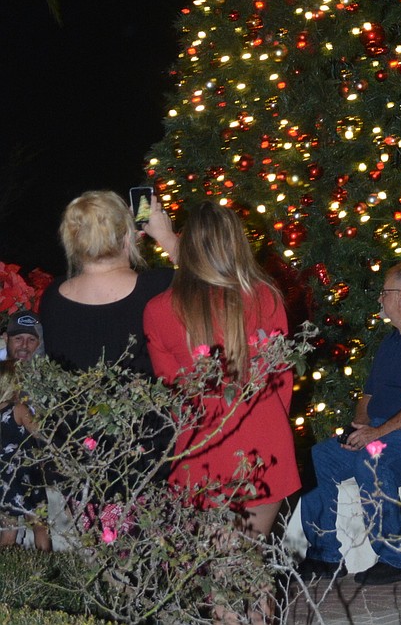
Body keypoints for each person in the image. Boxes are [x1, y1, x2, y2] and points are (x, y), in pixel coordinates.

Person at [143, 203, 299, 539]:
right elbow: (281, 381)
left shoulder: (158, 311)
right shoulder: (265, 297)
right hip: (266, 444)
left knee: (215, 572)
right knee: (251, 564)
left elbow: (172, 393)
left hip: (203, 447)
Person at [298, 262, 401, 587]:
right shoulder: (391, 342)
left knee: (372, 457)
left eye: (384, 293)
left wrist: (376, 434)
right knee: (319, 456)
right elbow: (367, 397)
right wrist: (359, 427)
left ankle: (395, 557)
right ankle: (325, 554)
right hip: (380, 430)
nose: (379, 300)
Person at [39, 189, 178, 374]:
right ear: (129, 236)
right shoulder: (158, 286)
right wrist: (166, 237)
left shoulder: (52, 297)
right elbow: (212, 281)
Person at [0, 359, 50, 552]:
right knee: (40, 524)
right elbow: (42, 433)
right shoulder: (18, 409)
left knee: (8, 530)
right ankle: (45, 567)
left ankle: (8, 572)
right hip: (26, 474)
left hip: (4, 477)